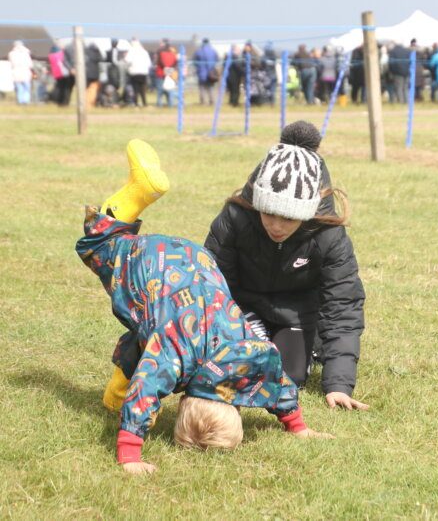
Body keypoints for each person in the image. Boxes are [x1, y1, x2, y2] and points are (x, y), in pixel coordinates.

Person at [75, 139, 332, 474]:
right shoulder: (175, 356)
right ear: (185, 400)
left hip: (198, 267)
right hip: (155, 267)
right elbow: (147, 390)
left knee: (146, 336)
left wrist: (299, 425)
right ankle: (137, 193)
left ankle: (112, 397)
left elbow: (277, 380)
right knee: (100, 246)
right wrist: (130, 454)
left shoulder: (248, 355)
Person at [204, 121, 368, 412]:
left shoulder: (329, 236)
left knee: (288, 377)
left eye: (289, 218)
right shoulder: (235, 218)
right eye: (268, 214)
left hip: (297, 314)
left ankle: (308, 347)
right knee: (239, 367)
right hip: (242, 309)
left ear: (306, 214)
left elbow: (343, 305)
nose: (276, 226)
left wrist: (338, 384)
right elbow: (210, 285)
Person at [125, 38, 152, 107]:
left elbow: (127, 60)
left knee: (135, 89)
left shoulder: (131, 51)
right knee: (142, 89)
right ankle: (144, 103)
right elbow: (149, 63)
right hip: (143, 73)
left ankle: (136, 103)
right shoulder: (144, 51)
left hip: (134, 72)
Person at [193, 38, 219, 105]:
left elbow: (194, 61)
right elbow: (217, 59)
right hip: (211, 73)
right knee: (211, 87)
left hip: (201, 73)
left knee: (202, 88)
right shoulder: (213, 51)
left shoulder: (199, 51)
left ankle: (203, 102)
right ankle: (212, 101)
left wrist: (198, 67)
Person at [154, 38, 178, 107]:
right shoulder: (173, 54)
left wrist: (165, 68)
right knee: (170, 90)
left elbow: (159, 62)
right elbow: (175, 63)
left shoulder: (160, 53)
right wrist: (169, 70)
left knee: (160, 90)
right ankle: (170, 104)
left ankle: (159, 104)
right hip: (170, 73)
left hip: (160, 73)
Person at [8, 40, 33, 105]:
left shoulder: (11, 53)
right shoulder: (26, 53)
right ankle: (26, 101)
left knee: (19, 88)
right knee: (26, 88)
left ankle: (20, 101)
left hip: (16, 73)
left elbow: (12, 64)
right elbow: (30, 64)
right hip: (25, 73)